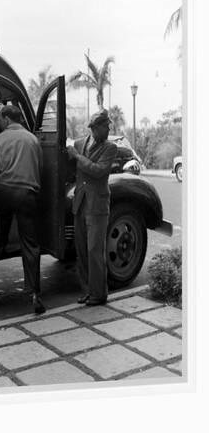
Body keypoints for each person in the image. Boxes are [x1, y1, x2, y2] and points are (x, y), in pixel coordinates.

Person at [0, 105, 45, 314]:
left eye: (0, 119)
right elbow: (40, 169)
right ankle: (35, 293)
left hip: (5, 192)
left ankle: (0, 244)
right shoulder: (33, 140)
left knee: (3, 211)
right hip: (27, 194)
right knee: (30, 244)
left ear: (6, 119)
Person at [67, 109, 118, 306]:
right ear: (95, 128)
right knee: (81, 250)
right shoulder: (79, 143)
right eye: (105, 126)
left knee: (95, 249)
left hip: (97, 205)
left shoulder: (110, 147)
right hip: (80, 203)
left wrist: (77, 158)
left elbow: (99, 171)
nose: (108, 129)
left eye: (108, 126)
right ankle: (87, 291)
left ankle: (99, 294)